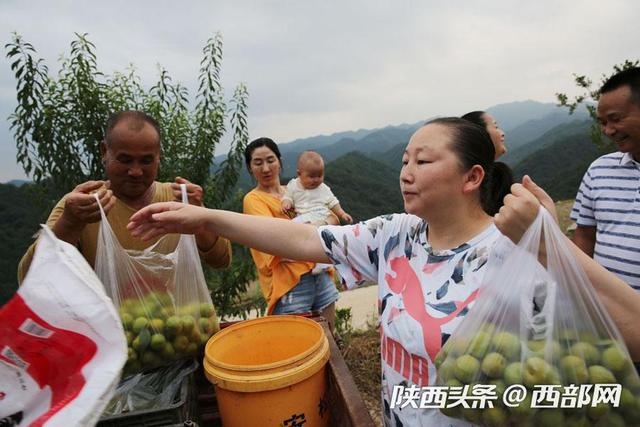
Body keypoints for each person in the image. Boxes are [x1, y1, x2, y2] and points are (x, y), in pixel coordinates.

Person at [128, 118, 513, 426]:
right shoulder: (397, 235)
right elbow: (303, 239)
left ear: (472, 177)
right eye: (404, 161)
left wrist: (549, 243)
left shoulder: (509, 254)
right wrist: (206, 217)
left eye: (423, 162)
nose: (406, 173)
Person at [17, 110, 231, 285]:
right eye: (125, 160)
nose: (136, 171)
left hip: (179, 332)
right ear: (104, 151)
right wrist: (70, 223)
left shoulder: (177, 201)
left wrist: (201, 216)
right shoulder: (82, 205)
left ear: (159, 156)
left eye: (146, 161)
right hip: (107, 333)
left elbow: (221, 260)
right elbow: (30, 278)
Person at [496, 176, 640, 361]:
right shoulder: (598, 170)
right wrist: (551, 240)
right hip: (600, 328)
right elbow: (585, 236)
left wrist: (547, 242)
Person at [242, 138, 339, 328]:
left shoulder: (295, 190)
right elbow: (275, 242)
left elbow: (334, 218)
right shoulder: (253, 200)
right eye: (258, 163)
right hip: (289, 286)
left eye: (270, 160)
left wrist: (308, 233)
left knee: (331, 342)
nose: (266, 168)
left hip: (321, 275)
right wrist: (316, 231)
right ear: (249, 168)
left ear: (279, 161)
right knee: (298, 349)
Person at [571, 67, 640, 291]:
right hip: (603, 316)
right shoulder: (599, 170)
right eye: (603, 122)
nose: (608, 131)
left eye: (615, 119)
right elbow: (584, 236)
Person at [282, 150, 353, 226]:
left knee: (292, 225)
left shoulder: (323, 188)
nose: (316, 180)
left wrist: (342, 214)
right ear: (299, 174)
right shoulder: (293, 185)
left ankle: (316, 227)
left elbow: (333, 202)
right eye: (312, 176)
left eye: (320, 176)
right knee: (291, 225)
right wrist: (287, 202)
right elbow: (288, 196)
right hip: (302, 216)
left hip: (321, 214)